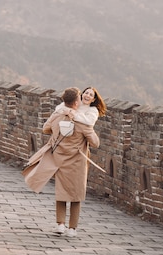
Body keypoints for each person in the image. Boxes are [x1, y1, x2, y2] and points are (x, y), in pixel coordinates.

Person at [22, 86, 106, 238]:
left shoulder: (56, 116)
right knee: (76, 194)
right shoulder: (84, 124)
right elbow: (95, 143)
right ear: (76, 102)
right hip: (77, 162)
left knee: (61, 192)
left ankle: (60, 224)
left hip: (58, 159)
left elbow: (46, 129)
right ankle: (72, 228)